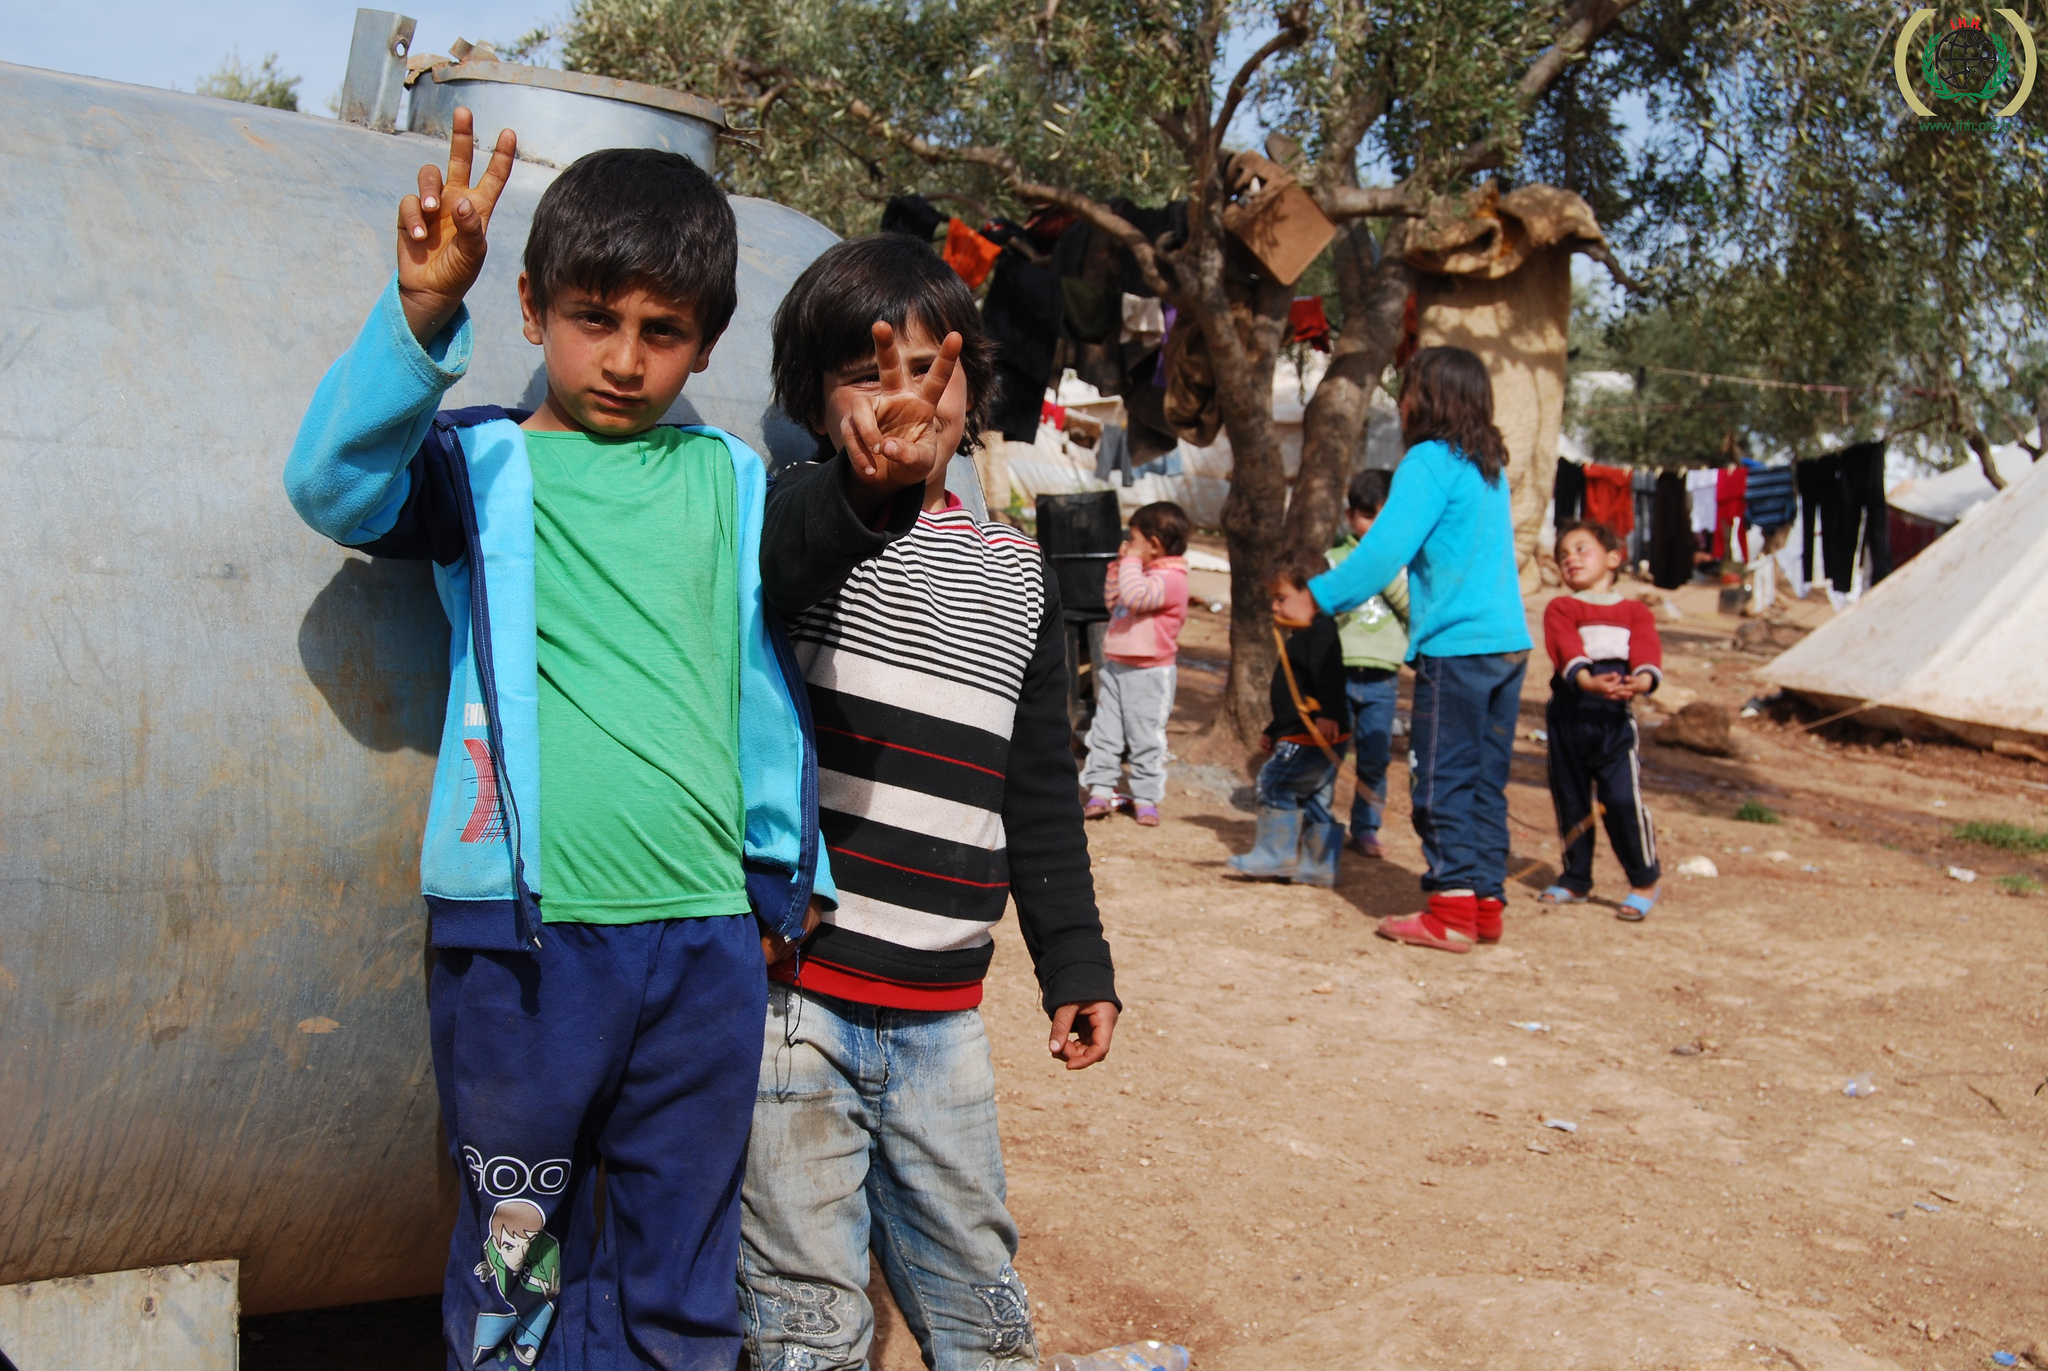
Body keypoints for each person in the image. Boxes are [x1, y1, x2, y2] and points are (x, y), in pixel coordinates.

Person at [282, 114, 831, 1369]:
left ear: (706, 339)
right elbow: (331, 488)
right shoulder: (477, 468)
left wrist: (773, 872)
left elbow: (757, 679)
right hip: (528, 945)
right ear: (531, 310)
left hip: (700, 938)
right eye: (596, 319)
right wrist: (420, 319)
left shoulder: (731, 480)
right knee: (515, 1255)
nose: (626, 361)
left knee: (679, 1252)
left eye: (663, 332)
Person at [746, 234, 1120, 1371]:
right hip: (793, 1011)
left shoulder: (1016, 574)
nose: (905, 395)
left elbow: (1038, 789)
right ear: (816, 405)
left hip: (943, 1018)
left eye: (930, 366)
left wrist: (1077, 962)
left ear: (975, 382)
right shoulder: (798, 524)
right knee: (807, 1324)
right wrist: (859, 492)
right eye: (870, 371)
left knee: (981, 1311)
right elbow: (784, 558)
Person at [1305, 346, 1533, 952]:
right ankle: (1483, 903)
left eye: (1406, 389)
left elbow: (1382, 552)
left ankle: (1450, 910)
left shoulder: (1429, 461)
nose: (1401, 401)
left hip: (1458, 648)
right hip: (1507, 645)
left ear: (1426, 398)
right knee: (1485, 779)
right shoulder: (1487, 465)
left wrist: (1318, 598)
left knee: (1441, 777)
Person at [1540, 521, 1664, 920]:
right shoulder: (1563, 606)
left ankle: (1644, 879)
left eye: (1581, 549)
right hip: (1569, 714)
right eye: (1563, 555)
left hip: (1613, 719)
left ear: (1613, 558)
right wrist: (1586, 681)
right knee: (1571, 799)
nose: (1570, 559)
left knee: (1621, 799)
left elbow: (1646, 650)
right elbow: (1565, 648)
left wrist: (1642, 680)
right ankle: (1576, 879)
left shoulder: (1634, 611)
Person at [1227, 548, 1352, 888]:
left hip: (1312, 735)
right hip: (1300, 731)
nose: (1275, 607)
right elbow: (1296, 695)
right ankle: (1319, 865)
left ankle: (1275, 854)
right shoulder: (1304, 635)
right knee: (1313, 797)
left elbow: (1331, 678)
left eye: (1281, 598)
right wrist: (1275, 728)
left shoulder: (1320, 633)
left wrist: (1330, 714)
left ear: (1311, 592)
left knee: (1275, 784)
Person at [1080, 500, 1192, 826]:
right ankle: (1100, 788)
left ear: (1154, 545)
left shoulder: (1171, 579)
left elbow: (1135, 597)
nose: (1129, 544)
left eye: (1135, 539)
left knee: (1145, 737)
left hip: (1150, 673)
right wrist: (1119, 566)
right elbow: (1114, 600)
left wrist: (1129, 564)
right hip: (1117, 666)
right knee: (1105, 732)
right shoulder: (1143, 574)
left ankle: (1146, 797)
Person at [1326, 470, 1410, 859]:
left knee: (1374, 757)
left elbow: (1412, 609)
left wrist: (1382, 571)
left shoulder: (1402, 566)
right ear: (1350, 517)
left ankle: (1366, 828)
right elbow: (1326, 606)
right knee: (1330, 754)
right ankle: (1320, 824)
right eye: (1366, 516)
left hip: (1382, 677)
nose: (1373, 527)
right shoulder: (1334, 559)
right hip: (1339, 672)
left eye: (1383, 518)